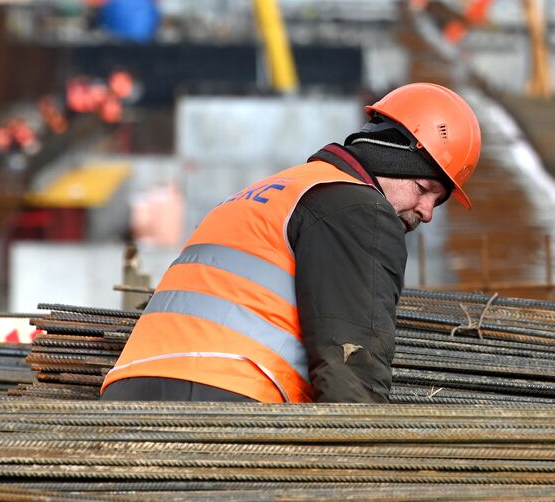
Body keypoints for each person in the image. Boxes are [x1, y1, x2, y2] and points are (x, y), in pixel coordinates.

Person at [100, 82, 480, 405]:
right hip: (225, 395)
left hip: (128, 390)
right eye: (424, 189)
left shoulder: (268, 193)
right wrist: (356, 468)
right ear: (394, 157)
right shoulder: (358, 208)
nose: (427, 212)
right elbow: (351, 361)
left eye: (437, 201)